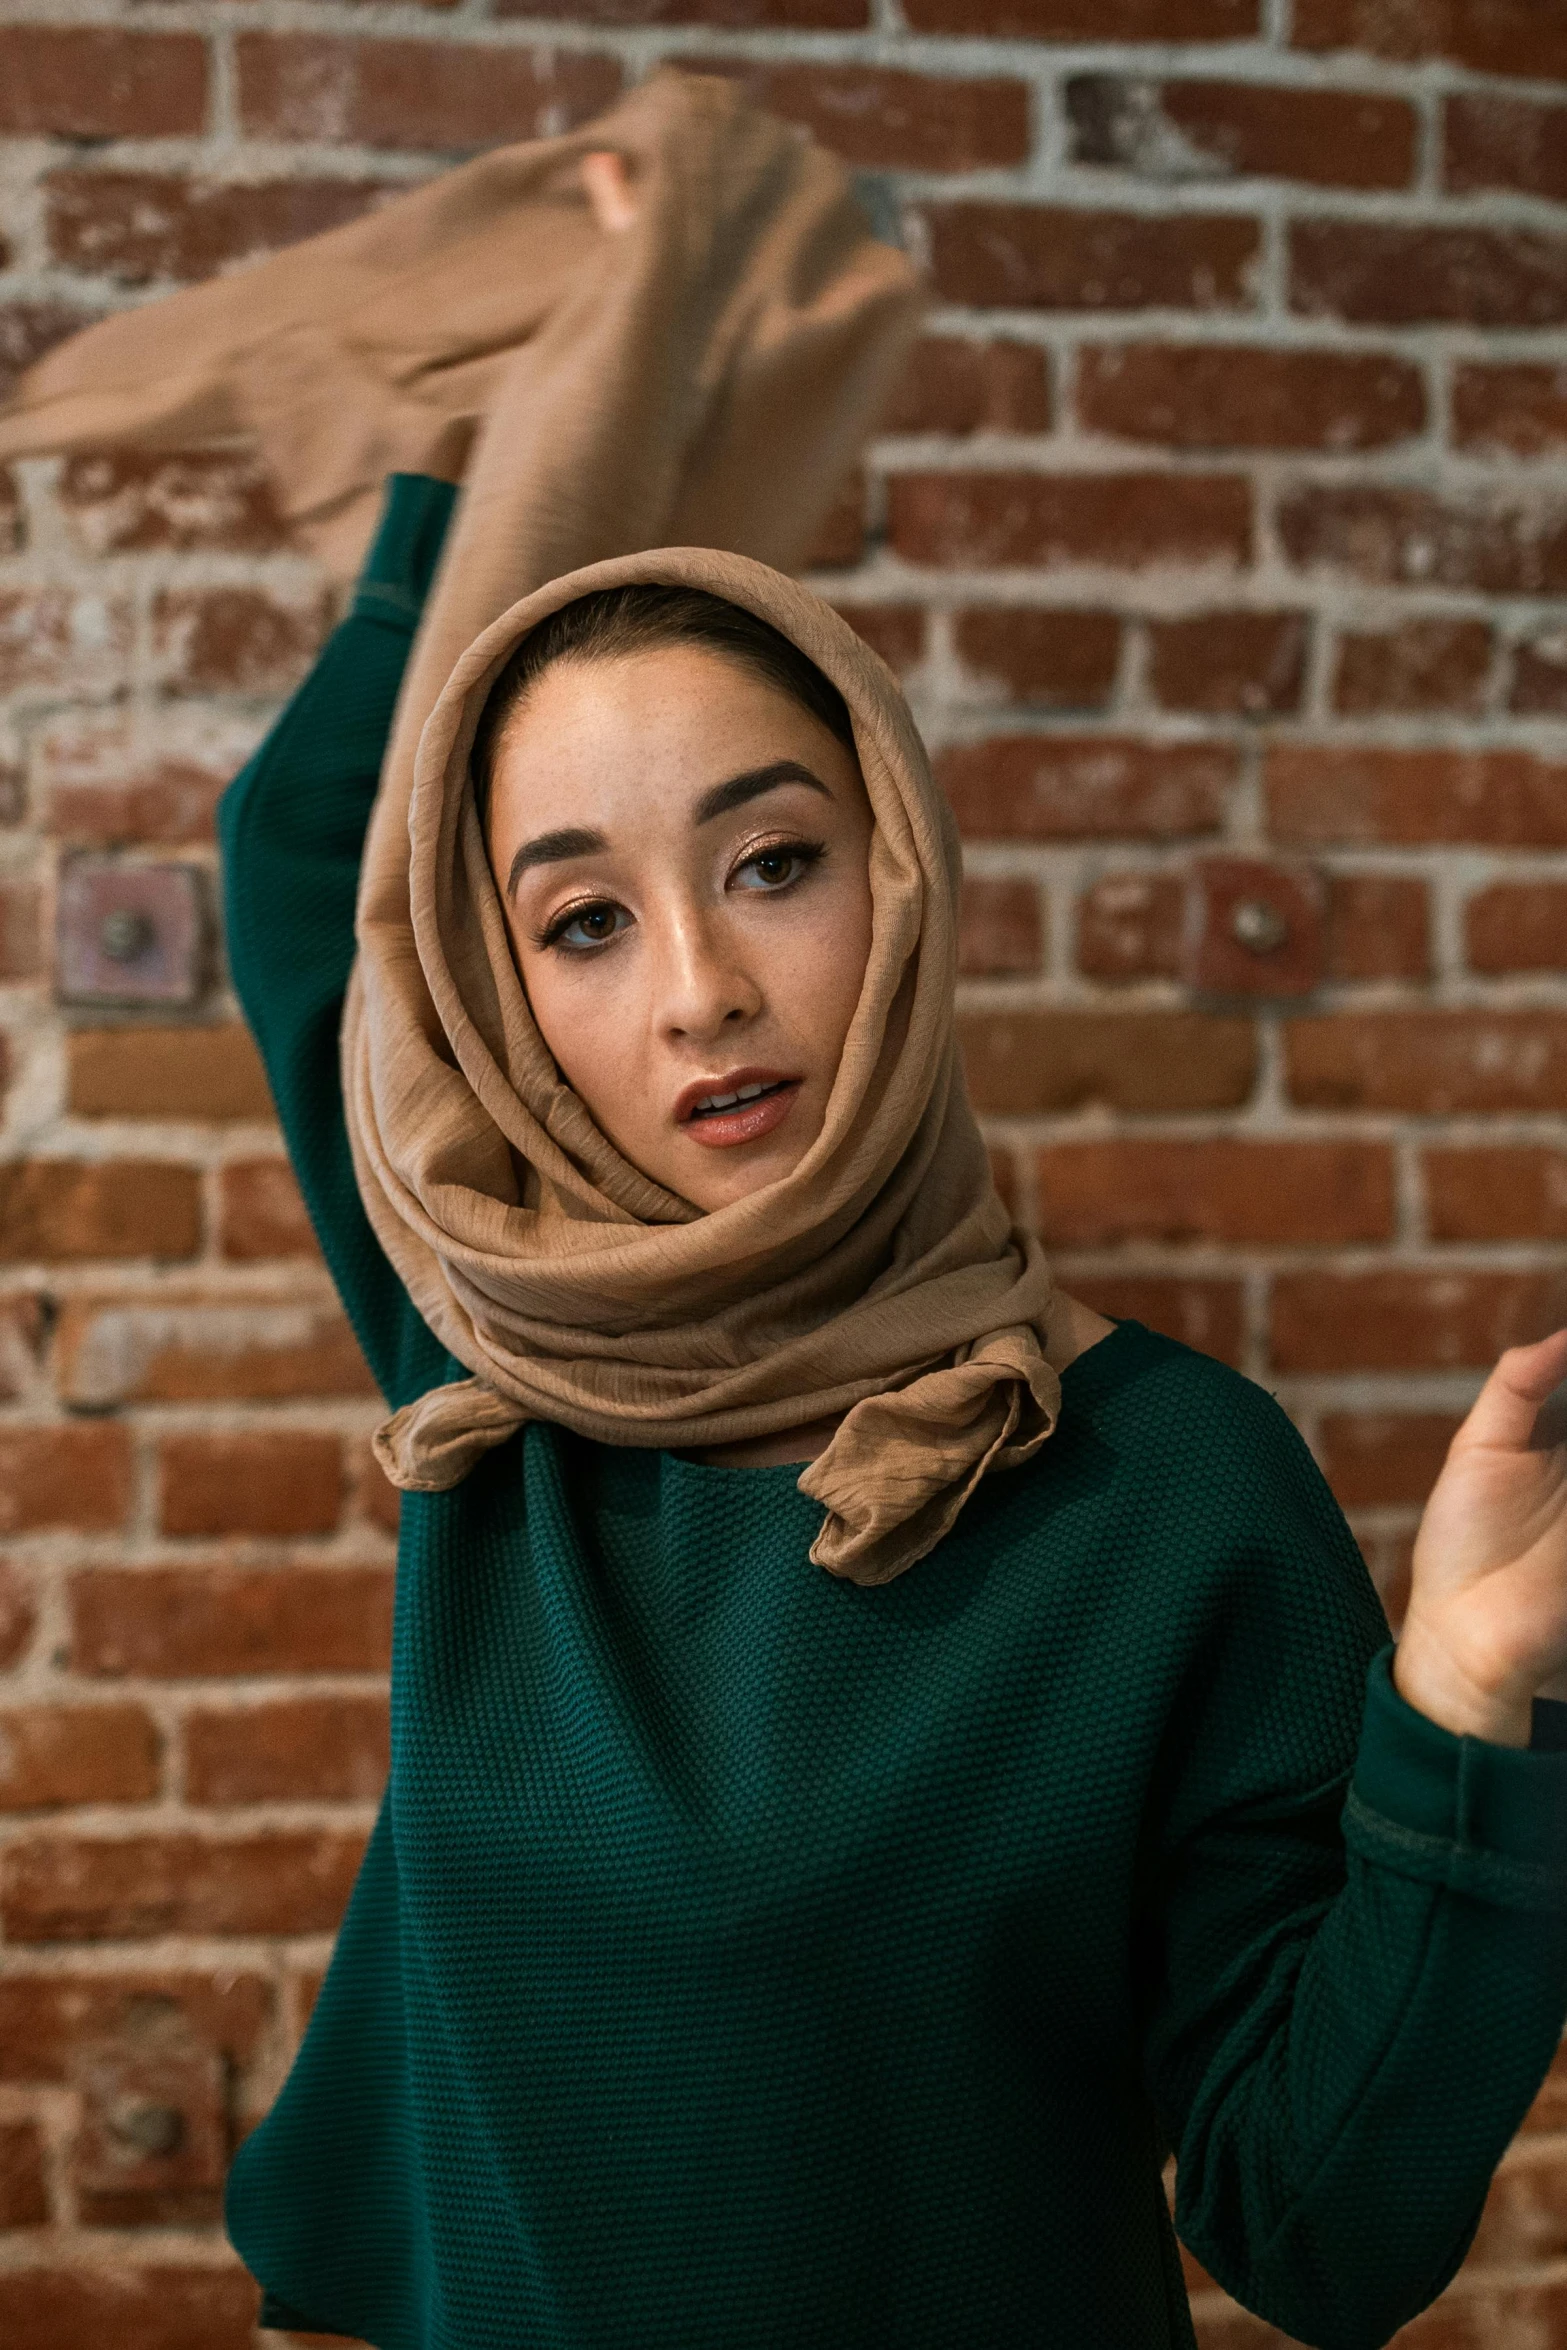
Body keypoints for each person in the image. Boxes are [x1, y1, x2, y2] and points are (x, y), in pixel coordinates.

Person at [220, 470, 1567, 2350]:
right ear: (502, 994)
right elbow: (298, 867)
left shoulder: (1167, 1487)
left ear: (903, 872)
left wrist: (1470, 1707)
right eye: (584, 922)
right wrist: (502, 435)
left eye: (773, 863)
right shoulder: (499, 1365)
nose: (700, 992)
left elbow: (1318, 2231)